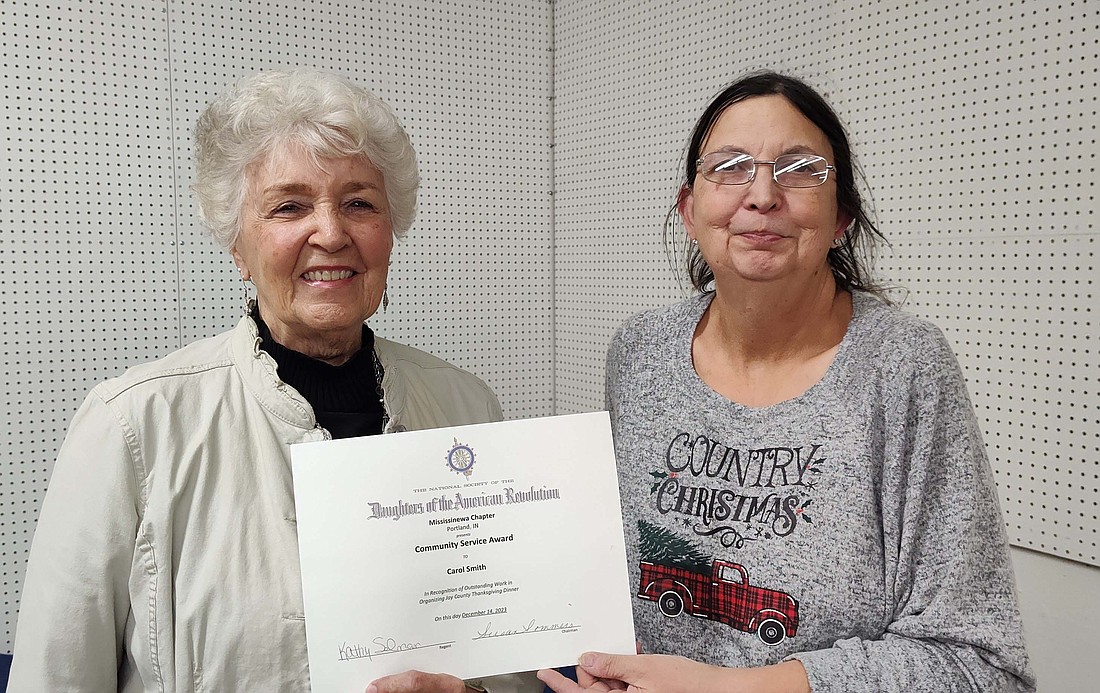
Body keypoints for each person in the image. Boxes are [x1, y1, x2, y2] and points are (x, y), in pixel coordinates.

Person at [10, 69, 540, 693]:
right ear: (238, 246)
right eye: (290, 206)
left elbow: (511, 656)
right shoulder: (134, 423)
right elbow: (56, 676)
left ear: (389, 234)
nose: (332, 233)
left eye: (359, 203)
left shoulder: (466, 405)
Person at [539, 72, 1036, 693]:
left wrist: (742, 689)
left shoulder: (903, 368)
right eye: (731, 167)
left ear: (841, 218)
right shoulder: (639, 354)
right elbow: (616, 585)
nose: (763, 194)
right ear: (689, 210)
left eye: (801, 169)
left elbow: (980, 667)